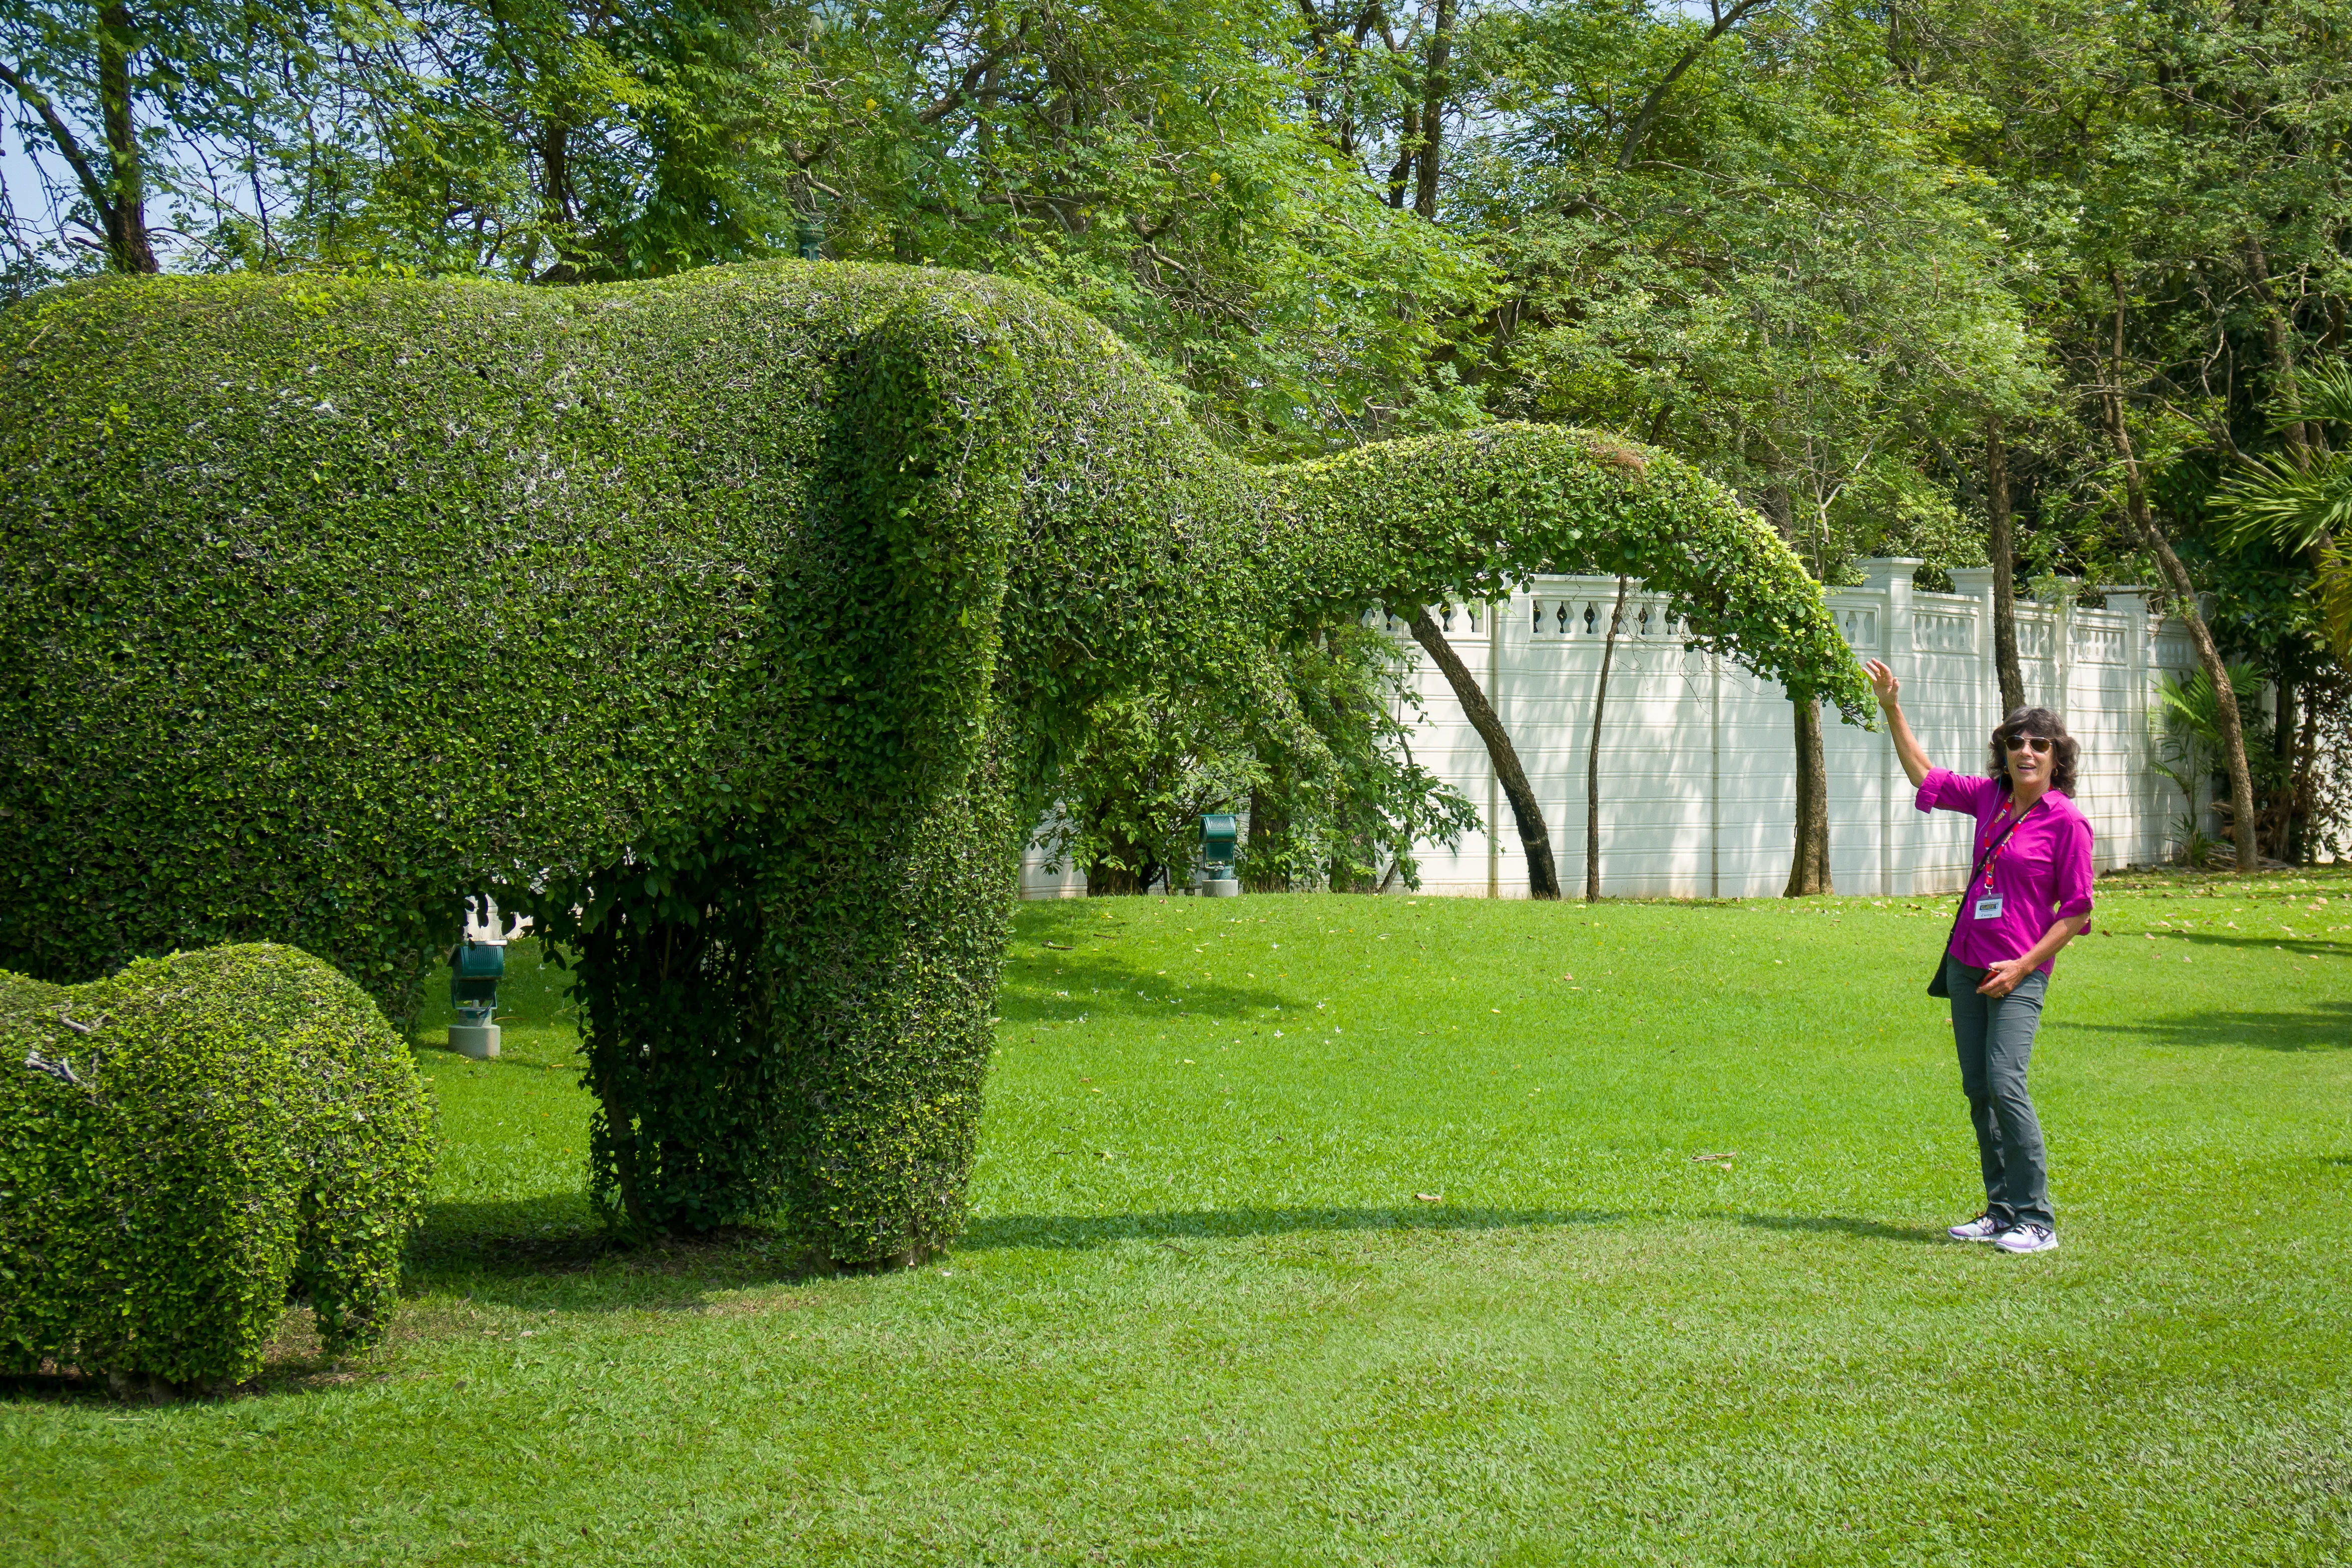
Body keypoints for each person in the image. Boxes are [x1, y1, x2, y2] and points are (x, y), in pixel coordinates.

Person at [1864, 658, 2094, 1255]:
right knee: (1978, 1088)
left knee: (2004, 1082)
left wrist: (2023, 966)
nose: (2025, 751)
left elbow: (2076, 912)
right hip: (1967, 962)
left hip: (2017, 972)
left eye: (2038, 744)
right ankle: (2000, 1210)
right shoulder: (1990, 798)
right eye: (2015, 742)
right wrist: (1892, 707)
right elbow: (1923, 775)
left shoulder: (2066, 822)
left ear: (2056, 756)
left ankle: (2037, 1219)